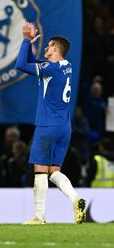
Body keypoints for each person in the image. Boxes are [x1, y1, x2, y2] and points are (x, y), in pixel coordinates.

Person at [15, 22, 86, 224]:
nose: (45, 48)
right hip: (64, 127)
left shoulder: (50, 68)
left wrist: (26, 40)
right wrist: (30, 49)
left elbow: (21, 65)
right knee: (54, 171)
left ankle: (39, 216)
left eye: (48, 46)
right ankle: (75, 199)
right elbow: (32, 64)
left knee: (40, 171)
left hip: (47, 125)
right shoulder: (66, 67)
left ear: (55, 48)